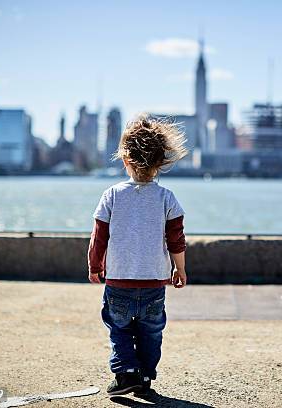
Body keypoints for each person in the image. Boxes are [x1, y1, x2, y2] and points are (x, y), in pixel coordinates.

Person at [87, 114, 188, 396]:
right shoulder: (167, 197)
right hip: (155, 283)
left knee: (118, 328)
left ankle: (126, 374)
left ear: (125, 160)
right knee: (151, 333)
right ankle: (144, 377)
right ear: (160, 163)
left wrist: (95, 267)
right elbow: (176, 240)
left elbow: (99, 237)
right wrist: (179, 270)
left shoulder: (112, 195)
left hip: (118, 281)